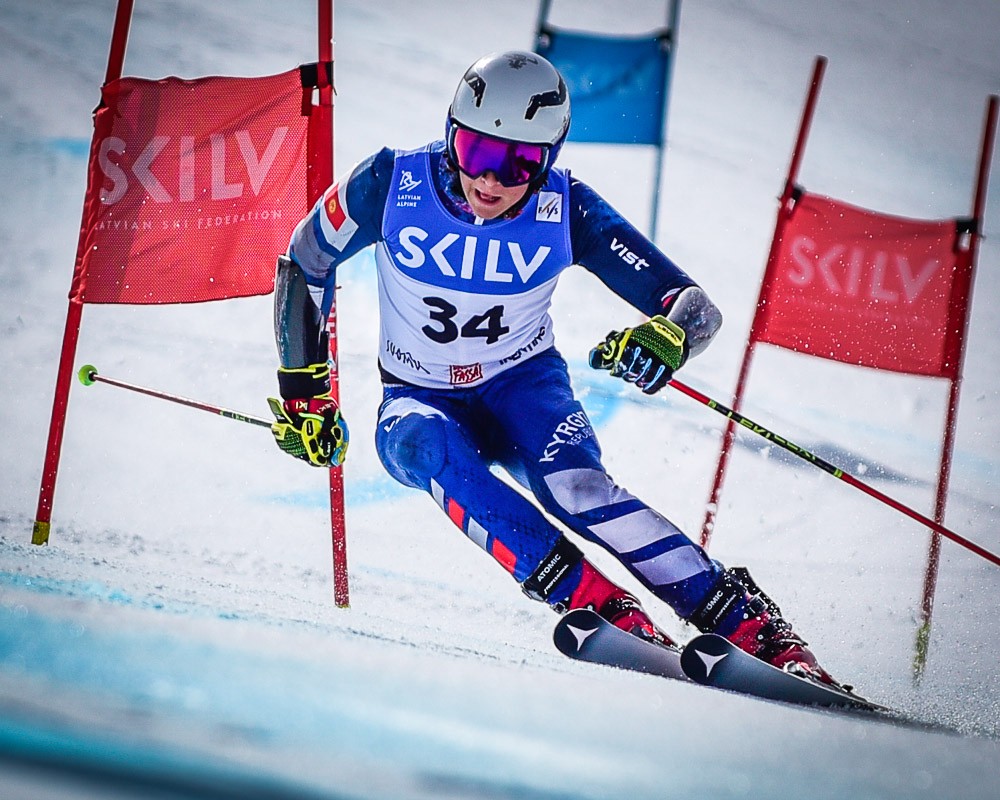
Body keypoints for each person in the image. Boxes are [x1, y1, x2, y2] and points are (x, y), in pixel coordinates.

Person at [268, 50, 838, 685]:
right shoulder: (388, 182)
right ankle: (600, 605)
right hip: (420, 393)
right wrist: (303, 392)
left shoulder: (566, 210)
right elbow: (304, 260)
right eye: (476, 150)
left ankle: (749, 627)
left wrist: (668, 337)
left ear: (549, 159)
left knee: (574, 488)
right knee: (416, 444)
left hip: (522, 388)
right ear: (451, 133)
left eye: (519, 163)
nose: (491, 179)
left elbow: (694, 307)